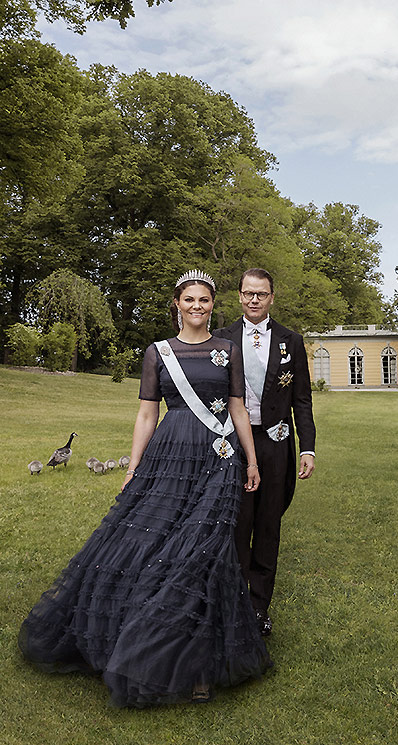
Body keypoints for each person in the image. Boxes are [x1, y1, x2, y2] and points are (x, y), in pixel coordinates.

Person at [18, 270, 272, 707]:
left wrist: (250, 459)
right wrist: (134, 465)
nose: (197, 306)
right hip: (169, 457)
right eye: (189, 299)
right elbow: (145, 415)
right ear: (176, 304)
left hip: (218, 459)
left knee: (204, 550)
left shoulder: (228, 350)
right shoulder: (158, 353)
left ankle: (196, 665)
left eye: (205, 300)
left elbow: (237, 407)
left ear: (213, 305)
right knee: (149, 543)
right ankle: (135, 640)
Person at [213, 268, 315, 636]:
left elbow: (302, 399)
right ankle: (237, 601)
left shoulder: (292, 340)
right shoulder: (221, 339)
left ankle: (259, 608)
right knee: (237, 525)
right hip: (235, 444)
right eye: (248, 293)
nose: (254, 299)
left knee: (268, 526)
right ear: (239, 296)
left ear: (272, 297)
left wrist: (308, 448)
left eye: (261, 294)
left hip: (276, 444)